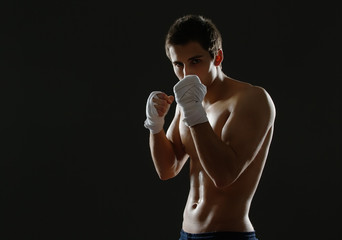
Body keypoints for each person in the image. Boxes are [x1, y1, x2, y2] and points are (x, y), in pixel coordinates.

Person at [144, 14, 276, 240]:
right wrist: (155, 125)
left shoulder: (251, 100)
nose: (186, 74)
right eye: (178, 64)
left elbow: (224, 175)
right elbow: (167, 169)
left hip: (229, 235)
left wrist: (194, 112)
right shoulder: (187, 103)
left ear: (217, 57)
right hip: (186, 233)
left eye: (195, 61)